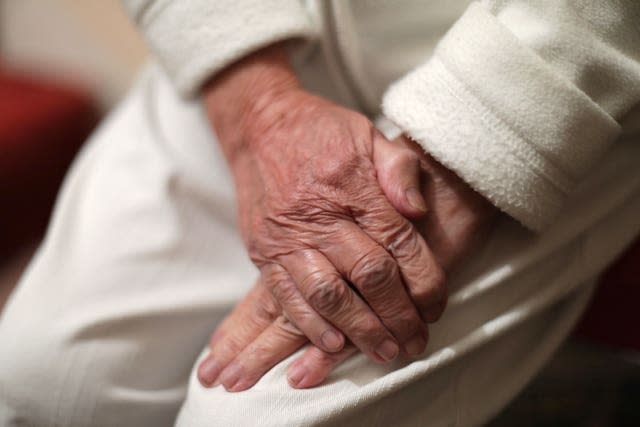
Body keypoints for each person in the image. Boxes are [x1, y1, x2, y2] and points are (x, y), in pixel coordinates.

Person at [1, 1, 639, 426]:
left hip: (533, 59)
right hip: (251, 35)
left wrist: (476, 144)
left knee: (254, 418)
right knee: (44, 386)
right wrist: (256, 108)